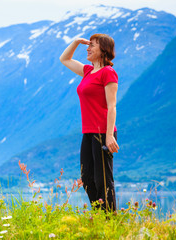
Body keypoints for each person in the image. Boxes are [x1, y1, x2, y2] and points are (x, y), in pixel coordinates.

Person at [59, 34, 119, 211]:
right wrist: (77, 41)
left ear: (103, 50)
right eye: (88, 45)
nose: (88, 48)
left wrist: (109, 136)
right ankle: (100, 214)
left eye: (93, 45)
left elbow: (112, 106)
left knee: (103, 180)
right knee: (86, 178)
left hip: (103, 133)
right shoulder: (87, 71)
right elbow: (64, 58)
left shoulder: (108, 72)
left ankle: (110, 220)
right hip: (88, 132)